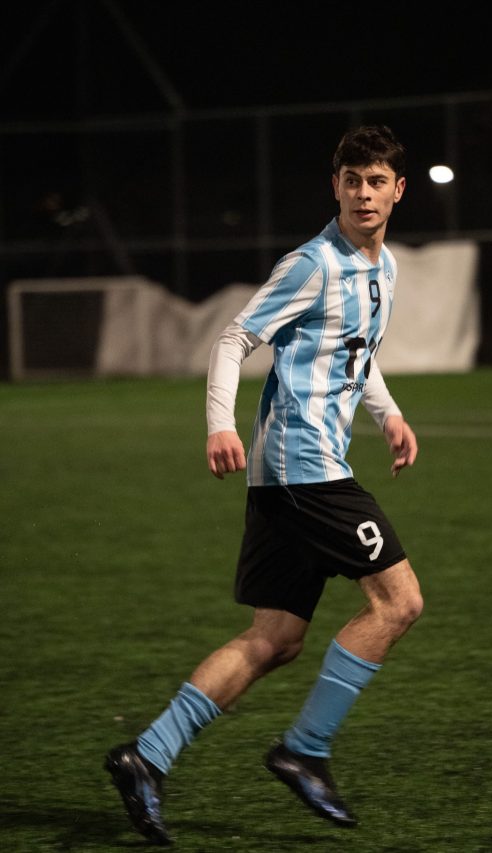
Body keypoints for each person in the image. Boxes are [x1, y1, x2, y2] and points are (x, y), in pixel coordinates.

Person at [104, 124, 423, 846]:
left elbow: (356, 349)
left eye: (376, 181)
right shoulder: (313, 263)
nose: (363, 194)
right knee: (400, 601)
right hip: (306, 468)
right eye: (352, 180)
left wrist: (389, 414)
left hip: (292, 475)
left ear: (398, 190)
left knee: (274, 638)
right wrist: (219, 424)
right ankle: (305, 749)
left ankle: (146, 755)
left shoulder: (385, 267)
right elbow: (233, 338)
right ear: (335, 186)